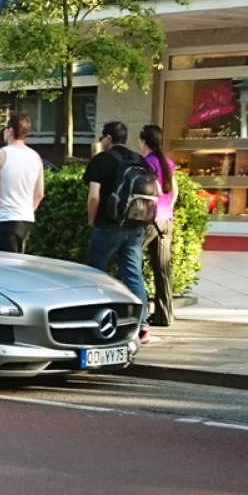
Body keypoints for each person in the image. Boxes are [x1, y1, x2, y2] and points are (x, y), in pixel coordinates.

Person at [85, 121, 149, 343]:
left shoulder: (101, 161)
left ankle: (93, 321)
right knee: (133, 275)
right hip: (136, 226)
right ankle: (142, 326)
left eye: (102, 138)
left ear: (108, 138)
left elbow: (94, 196)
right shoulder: (138, 160)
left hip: (109, 225)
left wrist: (92, 221)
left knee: (93, 272)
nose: (101, 142)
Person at [0, 112, 44, 253]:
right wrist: (27, 210)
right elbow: (39, 194)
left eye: (5, 128)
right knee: (18, 264)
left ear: (11, 130)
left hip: (5, 219)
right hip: (26, 219)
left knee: (4, 268)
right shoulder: (36, 157)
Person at [140, 124, 177, 328]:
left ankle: (137, 311)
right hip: (166, 219)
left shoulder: (147, 162)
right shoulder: (167, 162)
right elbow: (174, 191)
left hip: (152, 219)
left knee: (131, 259)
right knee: (162, 269)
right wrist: (167, 208)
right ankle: (165, 314)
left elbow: (153, 189)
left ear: (143, 141)